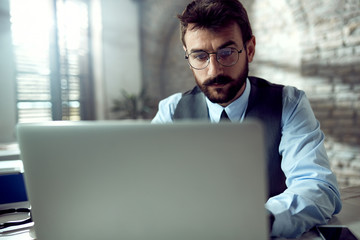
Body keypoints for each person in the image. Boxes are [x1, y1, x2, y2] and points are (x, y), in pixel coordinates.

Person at [151, 0, 342, 238]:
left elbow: (319, 188)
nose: (213, 71)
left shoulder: (289, 103)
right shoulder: (170, 111)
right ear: (188, 56)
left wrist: (254, 222)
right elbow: (149, 189)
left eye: (227, 53)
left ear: (249, 49)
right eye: (200, 56)